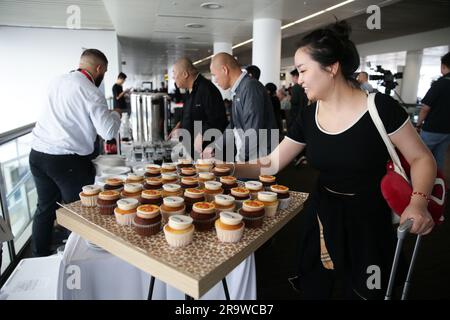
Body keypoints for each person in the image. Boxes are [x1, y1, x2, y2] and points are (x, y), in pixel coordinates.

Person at [229, 21, 436, 299]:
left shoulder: (380, 109)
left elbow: (421, 157)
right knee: (317, 287)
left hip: (368, 219)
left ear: (332, 67)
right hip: (322, 214)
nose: (297, 80)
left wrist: (418, 202)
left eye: (303, 71)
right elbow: (272, 163)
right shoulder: (308, 117)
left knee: (366, 291)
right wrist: (229, 167)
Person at [30, 49, 121, 257]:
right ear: (98, 68)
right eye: (104, 72)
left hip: (38, 155)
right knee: (81, 211)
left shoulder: (57, 81)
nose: (103, 77)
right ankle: (80, 261)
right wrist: (115, 115)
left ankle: (40, 256)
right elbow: (108, 132)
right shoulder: (90, 90)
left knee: (44, 208)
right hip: (66, 161)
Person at [203, 53, 277, 162]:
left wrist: (240, 163)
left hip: (258, 161)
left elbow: (253, 132)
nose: (215, 80)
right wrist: (215, 145)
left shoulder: (250, 88)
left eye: (214, 75)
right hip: (248, 158)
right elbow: (233, 126)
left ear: (224, 70)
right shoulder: (239, 90)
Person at [169, 57, 228, 159]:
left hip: (207, 152)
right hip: (191, 149)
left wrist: (202, 135)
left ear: (185, 74)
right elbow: (189, 114)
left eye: (174, 73)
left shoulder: (207, 89)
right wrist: (179, 125)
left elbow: (217, 120)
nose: (173, 77)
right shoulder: (189, 90)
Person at [416, 52, 450, 170]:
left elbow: (425, 108)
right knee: (439, 158)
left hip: (432, 129)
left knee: (421, 158)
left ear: (444, 66)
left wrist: (418, 124)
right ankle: (438, 184)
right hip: (447, 131)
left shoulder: (439, 84)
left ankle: (419, 184)